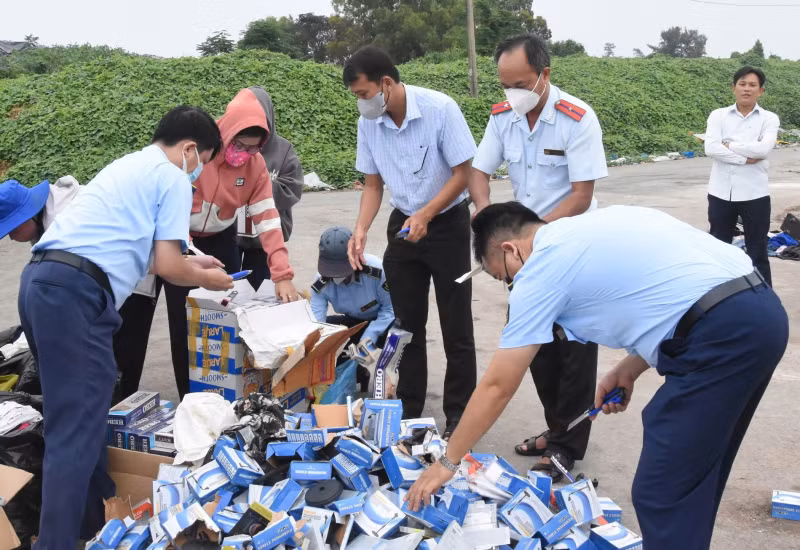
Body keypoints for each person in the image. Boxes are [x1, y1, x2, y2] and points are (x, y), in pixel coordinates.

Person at [404, 202, 788, 550]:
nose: (511, 287)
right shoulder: (591, 227)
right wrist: (629, 367)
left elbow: (497, 386)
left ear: (511, 250)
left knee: (662, 490)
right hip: (759, 312)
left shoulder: (540, 270)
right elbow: (673, 290)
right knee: (693, 477)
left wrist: (447, 463)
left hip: (722, 337)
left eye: (504, 277)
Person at [17, 106, 234, 548]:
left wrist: (198, 264)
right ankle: (57, 542)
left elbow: (146, 255)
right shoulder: (173, 177)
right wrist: (208, 280)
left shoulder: (128, 165)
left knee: (83, 417)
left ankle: (96, 524)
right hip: (76, 297)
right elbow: (169, 267)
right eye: (204, 163)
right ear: (190, 149)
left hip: (42, 283)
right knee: (74, 429)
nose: (198, 174)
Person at [469, 32, 608, 479]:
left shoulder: (576, 118)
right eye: (504, 85)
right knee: (537, 348)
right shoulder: (503, 117)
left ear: (544, 74)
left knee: (574, 350)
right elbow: (478, 171)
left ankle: (567, 446)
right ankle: (557, 429)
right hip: (523, 253)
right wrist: (485, 214)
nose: (512, 94)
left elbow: (581, 195)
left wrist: (533, 237)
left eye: (520, 84)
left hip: (571, 248)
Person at [114, 88, 300, 400]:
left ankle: (213, 396)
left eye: (253, 148)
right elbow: (169, 209)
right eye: (239, 145)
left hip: (220, 239)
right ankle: (177, 397)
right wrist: (185, 255)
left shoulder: (255, 168)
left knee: (216, 316)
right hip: (173, 233)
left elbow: (268, 220)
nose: (243, 153)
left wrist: (282, 274)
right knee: (174, 319)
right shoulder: (197, 155)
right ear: (226, 132)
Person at [343, 46, 478, 438]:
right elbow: (372, 184)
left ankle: (460, 415)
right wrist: (361, 228)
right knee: (406, 324)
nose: (361, 103)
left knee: (456, 325)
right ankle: (410, 407)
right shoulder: (369, 123)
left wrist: (427, 215)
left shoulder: (440, 109)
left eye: (364, 93)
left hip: (448, 223)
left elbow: (463, 174)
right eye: (356, 96)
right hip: (404, 224)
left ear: (386, 83)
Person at [705, 65, 779, 286]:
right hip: (720, 193)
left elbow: (763, 149)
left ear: (760, 91)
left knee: (758, 252)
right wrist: (745, 158)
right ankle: (718, 295)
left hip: (755, 194)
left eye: (752, 85)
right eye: (742, 84)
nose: (747, 89)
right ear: (734, 88)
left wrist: (730, 145)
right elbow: (711, 148)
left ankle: (764, 297)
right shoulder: (718, 115)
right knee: (719, 250)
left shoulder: (769, 118)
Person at [237, 86, 304, 291]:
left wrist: (259, 185)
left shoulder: (284, 150)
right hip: (232, 235)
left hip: (265, 241)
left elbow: (292, 189)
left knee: (260, 292)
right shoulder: (233, 146)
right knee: (229, 292)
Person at [311, 226, 394, 350]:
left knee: (401, 332)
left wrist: (369, 338)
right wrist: (316, 347)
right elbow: (317, 323)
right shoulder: (320, 283)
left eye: (342, 269)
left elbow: (390, 309)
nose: (338, 276)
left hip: (384, 322)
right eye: (332, 271)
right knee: (324, 329)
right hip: (355, 322)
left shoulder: (378, 272)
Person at [1, 176, 81, 244]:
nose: (11, 237)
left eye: (13, 230)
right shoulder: (42, 210)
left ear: (29, 216)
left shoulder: (61, 231)